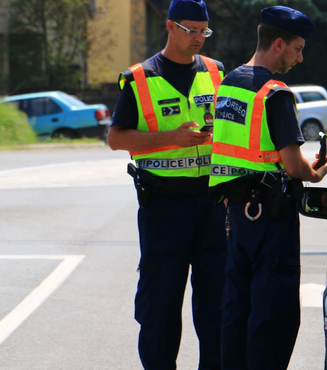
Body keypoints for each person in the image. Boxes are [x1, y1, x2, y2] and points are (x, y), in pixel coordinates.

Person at [207, 6, 327, 370]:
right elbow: (293, 165)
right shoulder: (274, 93)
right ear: (278, 44)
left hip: (235, 216)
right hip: (271, 218)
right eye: (297, 48)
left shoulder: (229, 83)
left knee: (237, 308)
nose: (300, 57)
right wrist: (316, 173)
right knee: (273, 312)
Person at [106, 0, 227, 369]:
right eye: (191, 30)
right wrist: (169, 138)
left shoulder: (217, 72)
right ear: (171, 27)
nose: (198, 39)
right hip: (163, 208)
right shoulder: (140, 78)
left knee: (217, 305)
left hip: (212, 206)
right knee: (160, 306)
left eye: (204, 31)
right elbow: (116, 138)